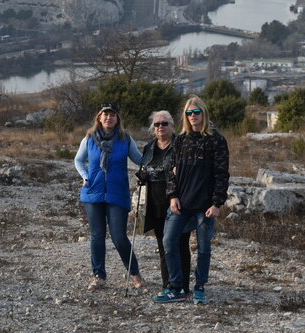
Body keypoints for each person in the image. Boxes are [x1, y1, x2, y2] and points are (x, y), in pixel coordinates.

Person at [154, 95, 230, 305]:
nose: (193, 116)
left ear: (203, 114)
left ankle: (199, 287)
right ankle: (176, 287)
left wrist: (217, 203)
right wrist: (173, 196)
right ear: (185, 116)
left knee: (204, 249)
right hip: (181, 204)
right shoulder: (180, 140)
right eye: (189, 113)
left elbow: (222, 173)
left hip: (205, 206)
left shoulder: (216, 139)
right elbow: (170, 171)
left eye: (197, 112)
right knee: (169, 241)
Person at [74, 103, 145, 290]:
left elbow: (139, 160)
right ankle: (99, 276)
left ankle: (135, 273)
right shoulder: (89, 139)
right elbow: (78, 160)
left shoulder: (125, 139)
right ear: (99, 118)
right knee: (97, 235)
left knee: (119, 237)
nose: (108, 118)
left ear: (117, 119)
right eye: (105, 114)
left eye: (112, 115)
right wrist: (85, 176)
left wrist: (159, 153)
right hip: (93, 192)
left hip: (117, 193)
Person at [137, 110, 191, 296]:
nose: (160, 127)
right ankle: (167, 284)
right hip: (155, 203)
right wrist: (142, 175)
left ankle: (183, 285)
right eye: (157, 124)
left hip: (177, 202)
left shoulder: (181, 145)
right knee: (163, 246)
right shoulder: (149, 147)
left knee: (180, 244)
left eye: (164, 123)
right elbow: (144, 168)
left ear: (172, 125)